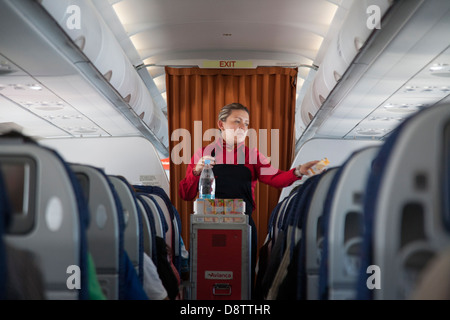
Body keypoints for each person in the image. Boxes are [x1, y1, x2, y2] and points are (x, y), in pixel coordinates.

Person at [178, 102, 319, 297]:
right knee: (206, 276)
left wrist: (297, 171)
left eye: (246, 123)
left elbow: (276, 178)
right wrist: (196, 171)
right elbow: (185, 194)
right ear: (221, 124)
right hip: (207, 226)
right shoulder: (203, 154)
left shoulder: (253, 155)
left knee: (240, 279)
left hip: (242, 226)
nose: (243, 128)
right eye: (237, 122)